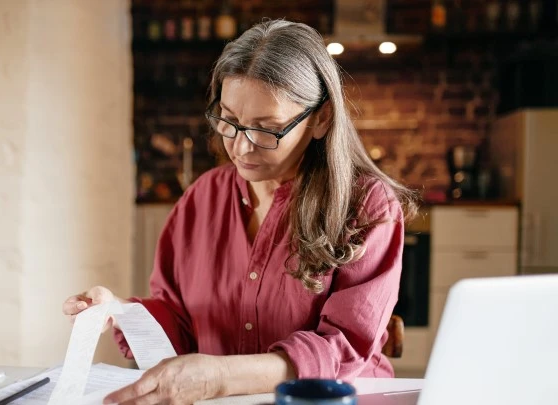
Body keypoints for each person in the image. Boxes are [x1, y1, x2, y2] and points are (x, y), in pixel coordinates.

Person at [62, 19, 417, 405]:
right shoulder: (202, 198)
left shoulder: (367, 205)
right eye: (230, 121)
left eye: (267, 129)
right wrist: (120, 313)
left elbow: (343, 347)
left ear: (321, 118)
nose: (241, 148)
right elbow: (178, 320)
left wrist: (221, 377)